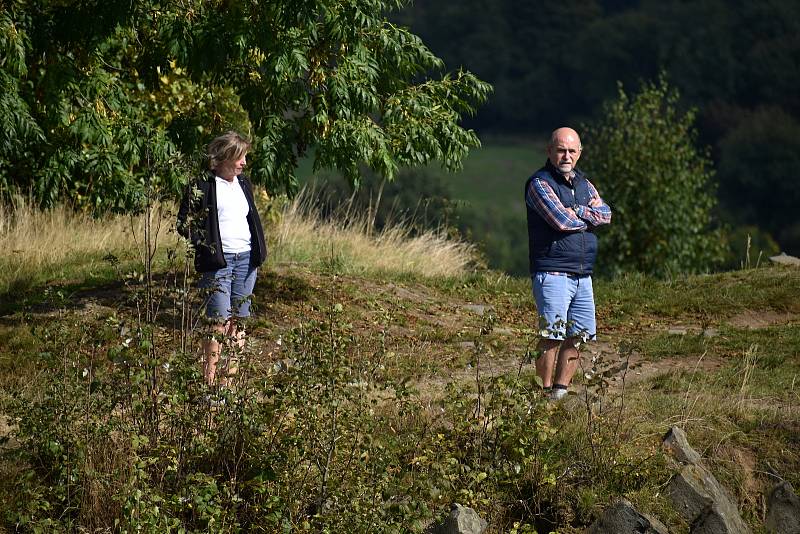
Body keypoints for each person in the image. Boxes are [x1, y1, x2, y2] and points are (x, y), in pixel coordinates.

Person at [524, 127, 611, 400]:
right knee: (552, 335)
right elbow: (561, 221)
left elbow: (606, 215)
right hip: (552, 272)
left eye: (572, 151)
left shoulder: (585, 184)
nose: (566, 156)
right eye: (561, 150)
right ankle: (542, 395)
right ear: (549, 151)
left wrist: (578, 210)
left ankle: (559, 394)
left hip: (583, 274)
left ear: (580, 153)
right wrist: (586, 215)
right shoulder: (540, 183)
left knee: (579, 335)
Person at [177, 131, 267, 387]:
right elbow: (184, 223)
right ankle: (210, 385)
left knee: (239, 322)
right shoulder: (203, 185)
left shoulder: (244, 184)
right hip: (218, 264)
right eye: (240, 157)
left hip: (246, 261)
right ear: (225, 157)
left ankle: (228, 386)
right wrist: (206, 247)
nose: (244, 163)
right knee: (217, 322)